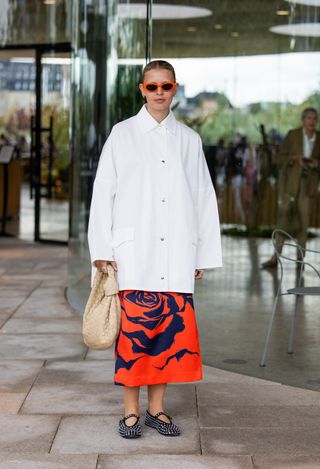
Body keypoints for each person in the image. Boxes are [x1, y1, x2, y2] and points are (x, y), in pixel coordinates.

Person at [87, 60, 222, 439]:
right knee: (135, 336)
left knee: (168, 336)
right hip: (133, 253)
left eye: (166, 86)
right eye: (152, 86)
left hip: (176, 253)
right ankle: (131, 412)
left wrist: (201, 254)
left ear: (175, 89)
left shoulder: (189, 140)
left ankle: (156, 410)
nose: (159, 92)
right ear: (141, 89)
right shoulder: (122, 134)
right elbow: (103, 194)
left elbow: (202, 199)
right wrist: (101, 247)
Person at [262, 108, 320, 268]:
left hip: (308, 186)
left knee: (304, 223)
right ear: (303, 120)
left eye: (314, 118)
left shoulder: (319, 138)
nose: (311, 121)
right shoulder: (292, 135)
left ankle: (300, 260)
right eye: (308, 118)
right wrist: (295, 159)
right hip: (289, 186)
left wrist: (316, 163)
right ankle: (275, 257)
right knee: (283, 221)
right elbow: (279, 158)